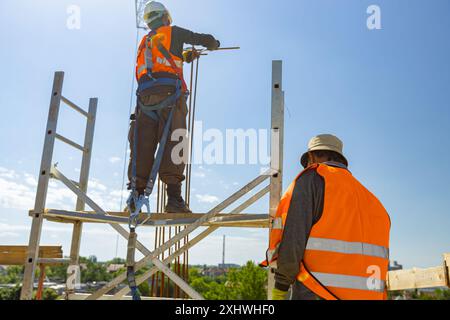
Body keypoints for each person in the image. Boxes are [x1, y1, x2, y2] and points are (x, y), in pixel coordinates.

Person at [262, 134, 391, 300]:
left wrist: (281, 287)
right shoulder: (373, 201)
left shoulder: (313, 178)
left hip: (317, 292)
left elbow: (294, 239)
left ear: (311, 157)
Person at [127, 1, 220, 213]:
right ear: (166, 17)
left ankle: (135, 197)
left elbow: (161, 60)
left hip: (144, 100)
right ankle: (174, 199)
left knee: (142, 145)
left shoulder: (145, 40)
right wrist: (213, 43)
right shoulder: (174, 32)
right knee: (175, 142)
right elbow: (203, 39)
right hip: (170, 96)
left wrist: (185, 56)